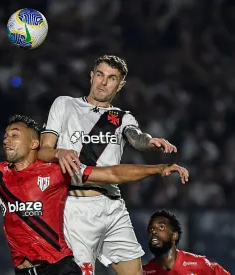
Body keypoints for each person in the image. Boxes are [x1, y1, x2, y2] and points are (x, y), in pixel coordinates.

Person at [0, 115, 189, 275]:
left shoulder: (57, 171)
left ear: (33, 144)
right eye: (5, 135)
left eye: (15, 134)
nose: (6, 139)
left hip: (59, 268)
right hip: (25, 271)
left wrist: (157, 168)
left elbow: (110, 174)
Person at [38, 54, 178, 275]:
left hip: (113, 206)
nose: (103, 82)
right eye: (100, 75)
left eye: (111, 78)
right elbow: (43, 152)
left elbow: (136, 137)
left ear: (120, 85)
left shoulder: (122, 118)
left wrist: (150, 142)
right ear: (91, 76)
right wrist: (58, 152)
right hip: (74, 208)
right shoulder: (65, 104)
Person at [143, 209, 230, 274]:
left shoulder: (198, 263)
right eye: (151, 229)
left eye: (161, 227)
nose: (154, 232)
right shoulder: (145, 271)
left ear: (174, 235)